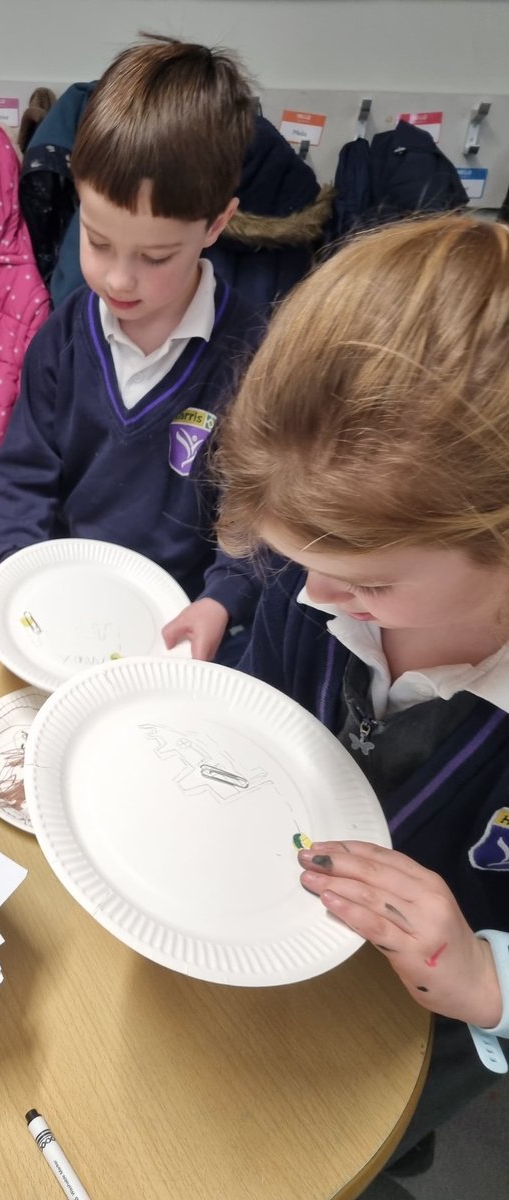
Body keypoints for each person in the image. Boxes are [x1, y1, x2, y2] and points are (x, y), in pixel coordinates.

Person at [209, 213, 509, 1194]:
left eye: (369, 585)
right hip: (265, 980)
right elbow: (265, 700)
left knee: (361, 1154)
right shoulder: (321, 585)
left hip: (421, 1036)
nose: (319, 596)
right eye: (301, 565)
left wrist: (485, 979)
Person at [0, 36, 264, 661]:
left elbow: (255, 509)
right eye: (98, 240)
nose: (117, 279)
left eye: (155, 256)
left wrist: (223, 599)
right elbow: (23, 475)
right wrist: (19, 575)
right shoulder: (62, 337)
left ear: (216, 225)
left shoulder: (252, 357)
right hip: (68, 605)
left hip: (183, 625)